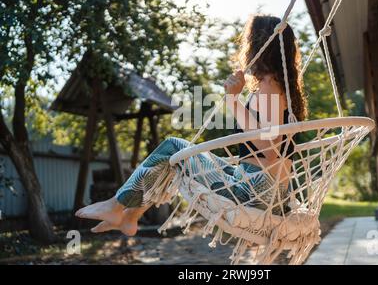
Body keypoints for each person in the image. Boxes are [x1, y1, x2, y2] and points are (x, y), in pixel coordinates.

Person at [75, 14, 308, 236]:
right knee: (176, 159)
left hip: (255, 192)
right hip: (268, 192)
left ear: (258, 46)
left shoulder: (268, 85)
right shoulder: (284, 88)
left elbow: (269, 145)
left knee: (173, 147)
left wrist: (232, 100)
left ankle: (116, 205)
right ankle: (130, 215)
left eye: (248, 41)